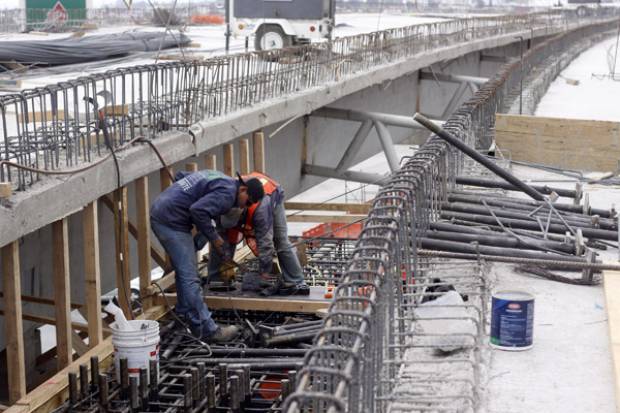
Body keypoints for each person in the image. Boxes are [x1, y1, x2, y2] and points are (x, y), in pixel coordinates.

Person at [150, 169, 265, 342]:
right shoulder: (227, 195)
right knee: (190, 278)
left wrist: (182, 197)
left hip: (165, 210)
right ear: (243, 190)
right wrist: (215, 238)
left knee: (185, 273)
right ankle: (209, 330)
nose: (243, 207)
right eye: (247, 203)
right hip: (170, 221)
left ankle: (183, 316)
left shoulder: (222, 178)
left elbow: (182, 176)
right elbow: (198, 210)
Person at [208, 172, 309, 296]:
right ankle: (215, 280)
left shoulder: (261, 210)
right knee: (219, 240)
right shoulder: (221, 202)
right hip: (243, 198)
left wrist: (264, 274)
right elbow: (220, 237)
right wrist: (226, 261)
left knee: (280, 239)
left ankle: (296, 281)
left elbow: (265, 243)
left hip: (271, 193)